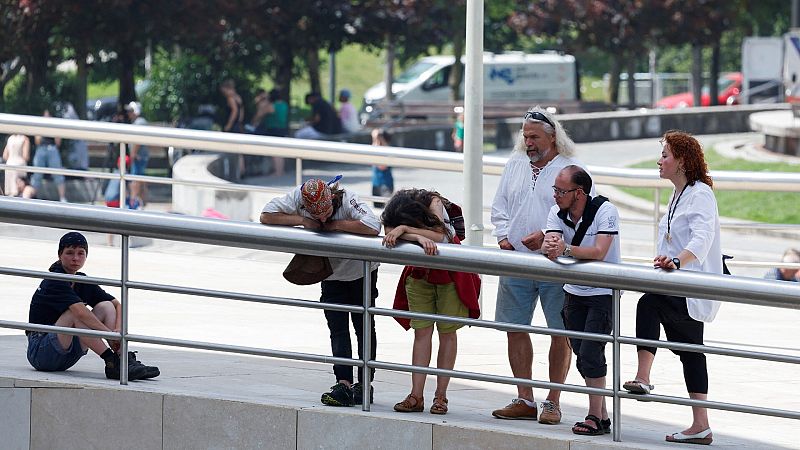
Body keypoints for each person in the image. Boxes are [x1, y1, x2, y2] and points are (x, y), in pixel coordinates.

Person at [490, 106, 591, 424]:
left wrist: (550, 234)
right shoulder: (515, 163)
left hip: (555, 265)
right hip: (516, 261)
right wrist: (504, 236)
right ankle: (524, 398)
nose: (528, 142)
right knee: (514, 328)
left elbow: (583, 215)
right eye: (525, 136)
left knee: (559, 332)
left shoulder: (571, 169)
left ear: (552, 136)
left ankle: (552, 401)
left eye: (534, 136)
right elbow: (500, 204)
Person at [623, 130, 721, 446]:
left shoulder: (700, 193)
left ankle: (644, 378)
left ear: (681, 161)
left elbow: (701, 240)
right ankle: (700, 424)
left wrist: (677, 262)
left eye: (665, 155)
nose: (659, 161)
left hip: (688, 285)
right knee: (691, 353)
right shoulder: (679, 193)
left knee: (650, 306)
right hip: (676, 284)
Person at [260, 178, 380, 407]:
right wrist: (302, 220)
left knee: (364, 328)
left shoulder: (347, 199)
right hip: (330, 274)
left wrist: (336, 226)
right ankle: (343, 383)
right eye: (318, 216)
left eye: (327, 213)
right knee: (337, 329)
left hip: (361, 271)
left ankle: (365, 384)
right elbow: (266, 215)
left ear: (332, 199)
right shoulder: (299, 197)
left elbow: (374, 225)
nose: (323, 219)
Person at [382, 189, 480, 415]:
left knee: (447, 332)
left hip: (449, 273)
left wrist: (405, 230)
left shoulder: (433, 202)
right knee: (421, 332)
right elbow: (388, 230)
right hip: (419, 272)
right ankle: (416, 395)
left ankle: (441, 396)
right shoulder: (397, 205)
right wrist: (417, 236)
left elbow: (441, 236)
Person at [541, 166, 621, 436]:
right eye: (555, 189)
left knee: (590, 352)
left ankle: (594, 416)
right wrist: (550, 246)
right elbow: (551, 244)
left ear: (579, 193)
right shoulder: (556, 211)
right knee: (582, 353)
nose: (555, 196)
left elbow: (599, 251)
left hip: (602, 294)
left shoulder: (605, 211)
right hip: (572, 292)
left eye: (561, 191)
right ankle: (603, 414)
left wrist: (564, 248)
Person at [26, 232, 159, 380]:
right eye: (69, 253)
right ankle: (110, 360)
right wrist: (109, 333)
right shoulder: (55, 280)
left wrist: (118, 331)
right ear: (59, 255)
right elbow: (81, 313)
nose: (75, 258)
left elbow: (117, 304)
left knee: (106, 306)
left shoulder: (81, 279)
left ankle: (123, 360)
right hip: (41, 353)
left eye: (80, 253)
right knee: (75, 312)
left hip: (67, 355)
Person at [31, 109, 67, 202]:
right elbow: (37, 141)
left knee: (58, 173)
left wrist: (52, 130)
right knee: (37, 174)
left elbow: (58, 142)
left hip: (52, 149)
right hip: (41, 149)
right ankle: (32, 197)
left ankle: (62, 198)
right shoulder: (39, 126)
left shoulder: (55, 126)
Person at [250, 88, 288, 176]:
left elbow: (259, 115)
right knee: (280, 152)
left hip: (273, 130)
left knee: (275, 152)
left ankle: (278, 172)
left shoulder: (272, 106)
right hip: (282, 129)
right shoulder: (284, 105)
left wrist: (262, 101)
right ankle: (281, 171)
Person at [125, 102, 149, 206]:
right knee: (141, 179)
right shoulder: (140, 122)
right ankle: (142, 201)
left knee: (136, 179)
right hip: (140, 156)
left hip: (138, 157)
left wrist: (133, 154)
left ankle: (134, 201)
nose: (128, 113)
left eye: (130, 111)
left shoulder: (139, 122)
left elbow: (138, 140)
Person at [370, 128, 394, 208]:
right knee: (377, 208)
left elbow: (382, 166)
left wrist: (378, 139)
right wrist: (375, 138)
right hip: (376, 184)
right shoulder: (378, 150)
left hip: (385, 185)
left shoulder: (387, 151)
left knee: (386, 209)